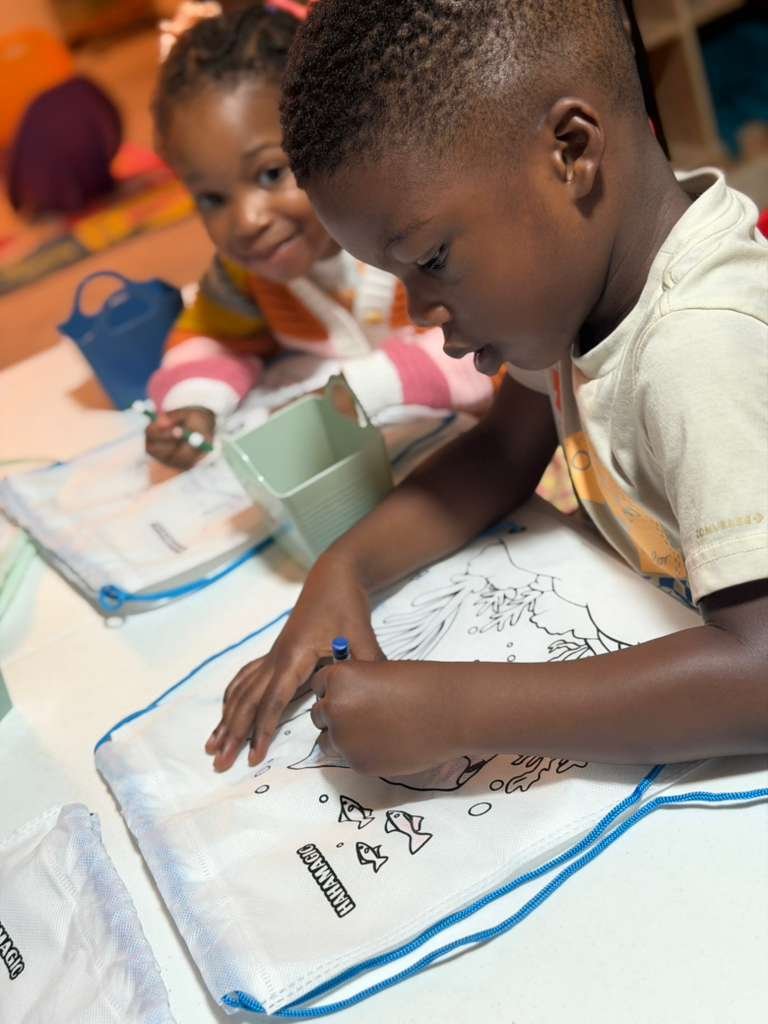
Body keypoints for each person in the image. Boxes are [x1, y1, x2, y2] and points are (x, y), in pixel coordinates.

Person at [207, 0, 767, 774]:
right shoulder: (582, 288)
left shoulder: (701, 345)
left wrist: (453, 712)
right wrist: (346, 570)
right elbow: (503, 449)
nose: (421, 312)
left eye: (431, 259)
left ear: (571, 151)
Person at [145, 0, 495, 470]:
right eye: (212, 199)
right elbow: (210, 338)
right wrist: (195, 404)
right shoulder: (245, 274)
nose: (248, 220)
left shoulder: (415, 233)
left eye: (270, 174)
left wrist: (353, 393)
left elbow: (493, 343)